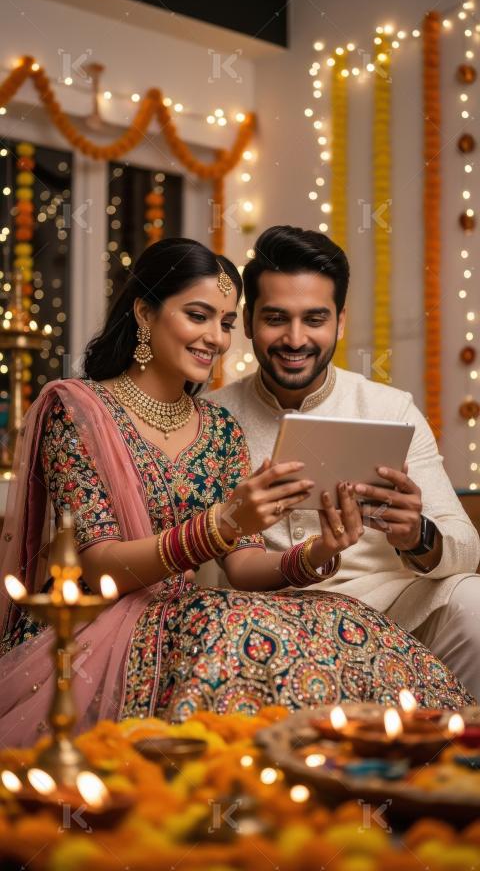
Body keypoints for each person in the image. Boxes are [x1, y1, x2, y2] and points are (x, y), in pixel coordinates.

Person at [0, 238, 472, 748]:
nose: (215, 339)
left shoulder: (219, 427)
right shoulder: (78, 411)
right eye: (199, 316)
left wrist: (322, 551)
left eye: (223, 323)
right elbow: (98, 568)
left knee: (341, 615)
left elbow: (243, 565)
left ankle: (408, 755)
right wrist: (224, 524)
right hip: (98, 621)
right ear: (144, 311)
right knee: (239, 623)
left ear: (339, 321)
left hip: (196, 611)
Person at [209, 225, 480, 700]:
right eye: (277, 319)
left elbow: (467, 549)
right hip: (269, 617)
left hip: (393, 607)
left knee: (473, 604)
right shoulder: (213, 417)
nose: (296, 339)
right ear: (249, 321)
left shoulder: (390, 408)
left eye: (315, 319)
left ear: (340, 321)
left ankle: (457, 764)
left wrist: (418, 535)